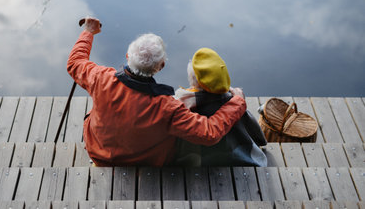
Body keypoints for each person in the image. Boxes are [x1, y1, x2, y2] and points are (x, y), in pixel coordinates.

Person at [67, 17, 247, 166]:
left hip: (99, 154)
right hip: (148, 162)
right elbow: (209, 133)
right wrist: (237, 102)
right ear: (161, 66)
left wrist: (88, 32)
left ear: (128, 57)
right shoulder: (168, 107)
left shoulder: (100, 78)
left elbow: (75, 63)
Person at [174, 47, 267, 167]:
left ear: (193, 80)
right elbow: (256, 134)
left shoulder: (183, 103)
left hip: (197, 163)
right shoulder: (234, 103)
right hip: (238, 159)